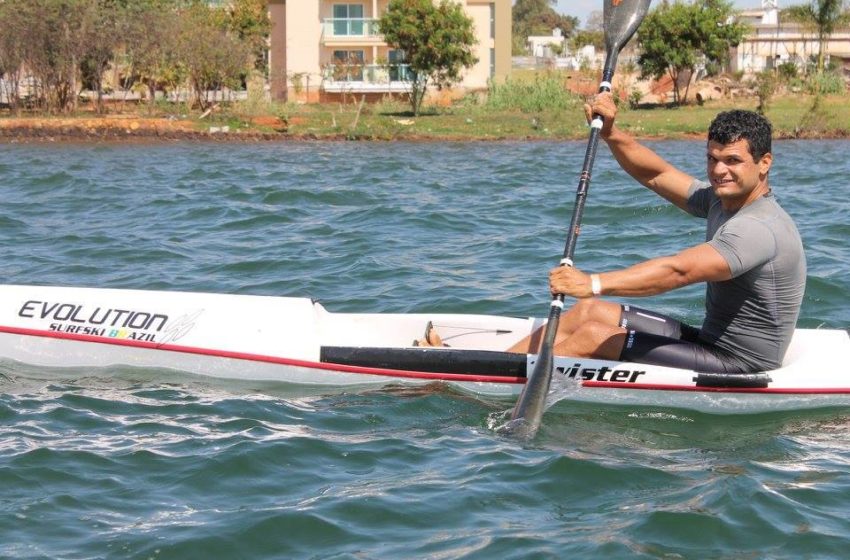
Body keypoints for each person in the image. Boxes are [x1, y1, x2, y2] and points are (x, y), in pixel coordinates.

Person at [422, 93, 806, 373]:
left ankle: (480, 381)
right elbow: (654, 173)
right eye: (712, 159)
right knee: (589, 313)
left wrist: (592, 282)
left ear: (764, 163)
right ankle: (493, 371)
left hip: (739, 362)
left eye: (733, 161)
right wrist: (611, 133)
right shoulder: (722, 201)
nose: (719, 170)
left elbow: (679, 271)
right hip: (707, 341)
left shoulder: (756, 228)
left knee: (593, 335)